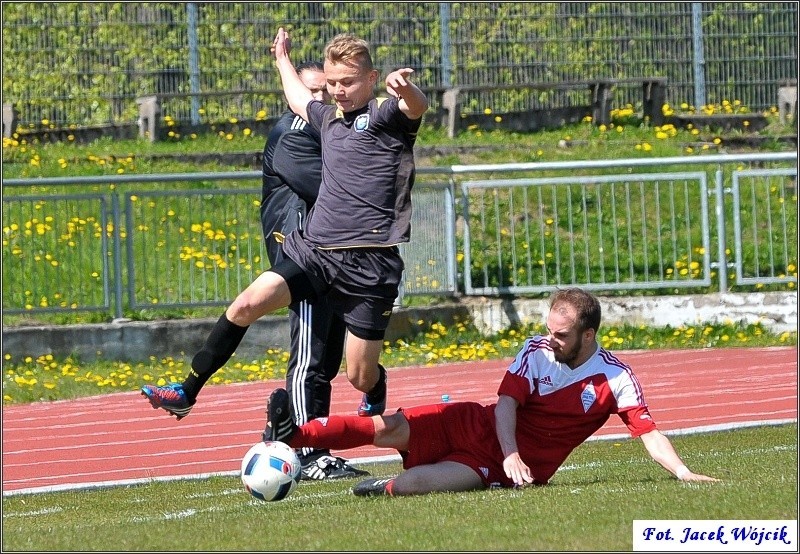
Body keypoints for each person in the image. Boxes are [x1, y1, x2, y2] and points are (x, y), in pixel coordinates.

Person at [141, 29, 429, 433]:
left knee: (358, 376)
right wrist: (281, 58)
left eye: (347, 83)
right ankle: (188, 391)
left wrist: (406, 88)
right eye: (331, 83)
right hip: (316, 251)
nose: (338, 91)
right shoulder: (326, 118)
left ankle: (376, 388)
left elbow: (416, 107)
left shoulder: (384, 115)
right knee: (246, 304)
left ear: (370, 78)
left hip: (371, 262)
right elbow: (297, 96)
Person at [266, 287, 721, 496]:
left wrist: (682, 473)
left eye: (561, 335)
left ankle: (379, 486)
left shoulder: (616, 378)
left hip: (495, 466)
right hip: (477, 424)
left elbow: (648, 432)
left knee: (413, 486)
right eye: (549, 330)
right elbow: (506, 404)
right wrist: (510, 450)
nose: (551, 340)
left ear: (589, 334)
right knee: (386, 428)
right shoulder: (536, 351)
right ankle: (293, 436)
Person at [258, 60, 368, 480]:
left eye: (328, 90)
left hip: (332, 256)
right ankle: (304, 452)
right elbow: (334, 188)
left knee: (325, 356)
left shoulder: (328, 132)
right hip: (302, 256)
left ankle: (301, 437)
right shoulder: (293, 135)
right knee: (310, 355)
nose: (322, 98)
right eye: (314, 91)